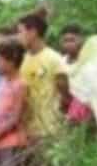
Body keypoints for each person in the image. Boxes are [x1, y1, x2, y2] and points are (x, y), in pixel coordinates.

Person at [17, 10, 65, 143]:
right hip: (27, 130)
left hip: (50, 129)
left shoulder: (54, 59)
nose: (18, 37)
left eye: (20, 32)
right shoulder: (22, 60)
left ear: (33, 32)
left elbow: (65, 93)